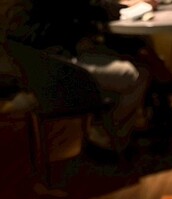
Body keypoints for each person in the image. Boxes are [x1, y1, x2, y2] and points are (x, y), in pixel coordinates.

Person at [3, 0, 155, 153]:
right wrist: (130, 5)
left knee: (130, 59)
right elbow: (95, 9)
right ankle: (105, 141)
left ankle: (102, 128)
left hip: (36, 66)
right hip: (57, 68)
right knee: (135, 73)